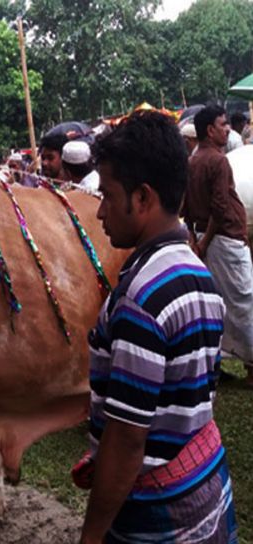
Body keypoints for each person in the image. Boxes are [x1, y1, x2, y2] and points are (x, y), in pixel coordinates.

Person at [77, 110, 237, 543]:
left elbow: (128, 440)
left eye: (108, 196)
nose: (100, 213)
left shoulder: (141, 301)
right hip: (203, 491)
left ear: (143, 198)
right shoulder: (196, 271)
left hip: (157, 517)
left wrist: (91, 534)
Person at [182, 104, 253, 386]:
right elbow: (220, 208)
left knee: (216, 303)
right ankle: (251, 368)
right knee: (243, 301)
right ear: (210, 130)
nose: (228, 129)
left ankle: (215, 363)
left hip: (205, 239)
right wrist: (206, 240)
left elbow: (186, 208)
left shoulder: (192, 161)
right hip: (222, 239)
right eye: (223, 125)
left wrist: (197, 240)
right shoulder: (217, 161)